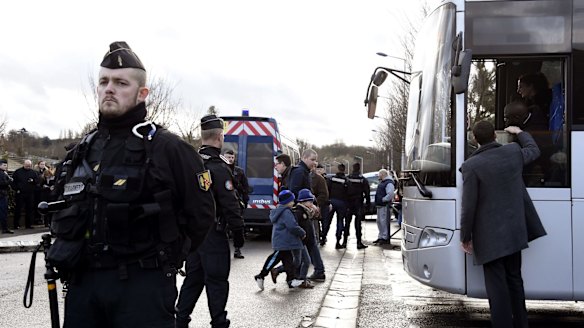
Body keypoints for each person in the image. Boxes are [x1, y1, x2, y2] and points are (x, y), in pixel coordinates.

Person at [48, 41, 215, 328]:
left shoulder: (168, 149)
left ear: (142, 93)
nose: (109, 88)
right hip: (83, 286)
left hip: (143, 287)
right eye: (103, 81)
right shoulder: (82, 151)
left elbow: (201, 216)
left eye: (120, 82)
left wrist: (166, 259)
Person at [460, 121, 547, 328]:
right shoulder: (513, 152)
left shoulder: (471, 166)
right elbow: (533, 150)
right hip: (514, 232)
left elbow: (468, 206)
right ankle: (521, 324)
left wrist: (465, 237)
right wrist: (520, 132)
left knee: (497, 289)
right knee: (515, 281)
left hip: (489, 238)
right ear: (495, 136)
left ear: (475, 139)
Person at [176, 114, 245, 328]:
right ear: (219, 137)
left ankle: (179, 320)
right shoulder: (219, 167)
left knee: (193, 279)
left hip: (192, 236)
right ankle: (219, 323)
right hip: (213, 234)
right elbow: (229, 204)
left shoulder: (190, 164)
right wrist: (239, 233)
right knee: (216, 282)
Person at [254, 190, 305, 290]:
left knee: (288, 261)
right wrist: (302, 232)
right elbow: (292, 226)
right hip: (282, 242)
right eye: (292, 201)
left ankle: (291, 280)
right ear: (287, 202)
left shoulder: (282, 211)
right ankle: (261, 275)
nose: (293, 202)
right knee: (274, 259)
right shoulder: (286, 212)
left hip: (285, 242)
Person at [223, 149, 249, 259]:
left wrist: (245, 201)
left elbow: (245, 188)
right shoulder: (220, 170)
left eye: (232, 157)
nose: (230, 159)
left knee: (237, 227)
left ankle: (237, 249)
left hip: (236, 202)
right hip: (223, 203)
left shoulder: (239, 172)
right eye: (228, 157)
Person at [345, 162, 370, 249]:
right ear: (359, 169)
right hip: (358, 203)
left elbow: (343, 190)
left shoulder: (348, 178)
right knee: (358, 224)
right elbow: (367, 192)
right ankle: (359, 242)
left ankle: (344, 242)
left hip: (348, 203)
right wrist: (368, 203)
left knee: (347, 223)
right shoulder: (362, 179)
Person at [326, 163, 349, 249]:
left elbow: (327, 189)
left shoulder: (331, 179)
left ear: (338, 169)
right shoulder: (346, 180)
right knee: (340, 221)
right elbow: (349, 193)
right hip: (342, 203)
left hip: (332, 201)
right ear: (344, 170)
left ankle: (323, 237)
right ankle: (338, 241)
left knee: (327, 220)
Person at [11, 159, 38, 229]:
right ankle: (16, 224)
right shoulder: (18, 172)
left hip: (30, 193)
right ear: (23, 164)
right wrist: (16, 189)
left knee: (29, 209)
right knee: (18, 209)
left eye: (29, 166)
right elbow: (13, 182)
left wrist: (33, 181)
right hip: (20, 193)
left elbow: (37, 181)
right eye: (27, 166)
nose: (28, 167)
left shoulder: (33, 172)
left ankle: (28, 224)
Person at [373, 169, 394, 245]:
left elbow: (390, 193)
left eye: (379, 174)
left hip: (384, 205)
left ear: (383, 174)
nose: (378, 176)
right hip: (380, 204)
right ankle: (381, 236)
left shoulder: (388, 183)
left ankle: (384, 237)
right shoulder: (384, 182)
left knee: (383, 221)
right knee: (379, 221)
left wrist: (384, 199)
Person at [310, 163, 329, 246]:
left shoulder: (320, 179)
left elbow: (324, 194)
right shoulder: (301, 175)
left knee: (321, 223)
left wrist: (316, 204)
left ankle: (321, 237)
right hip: (305, 209)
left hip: (319, 206)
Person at [0, 159, 13, 234]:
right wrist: (9, 181)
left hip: (3, 194)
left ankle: (4, 228)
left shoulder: (3, 173)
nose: (6, 166)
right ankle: (4, 229)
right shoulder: (1, 173)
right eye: (4, 165)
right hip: (2, 195)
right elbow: (2, 184)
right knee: (3, 212)